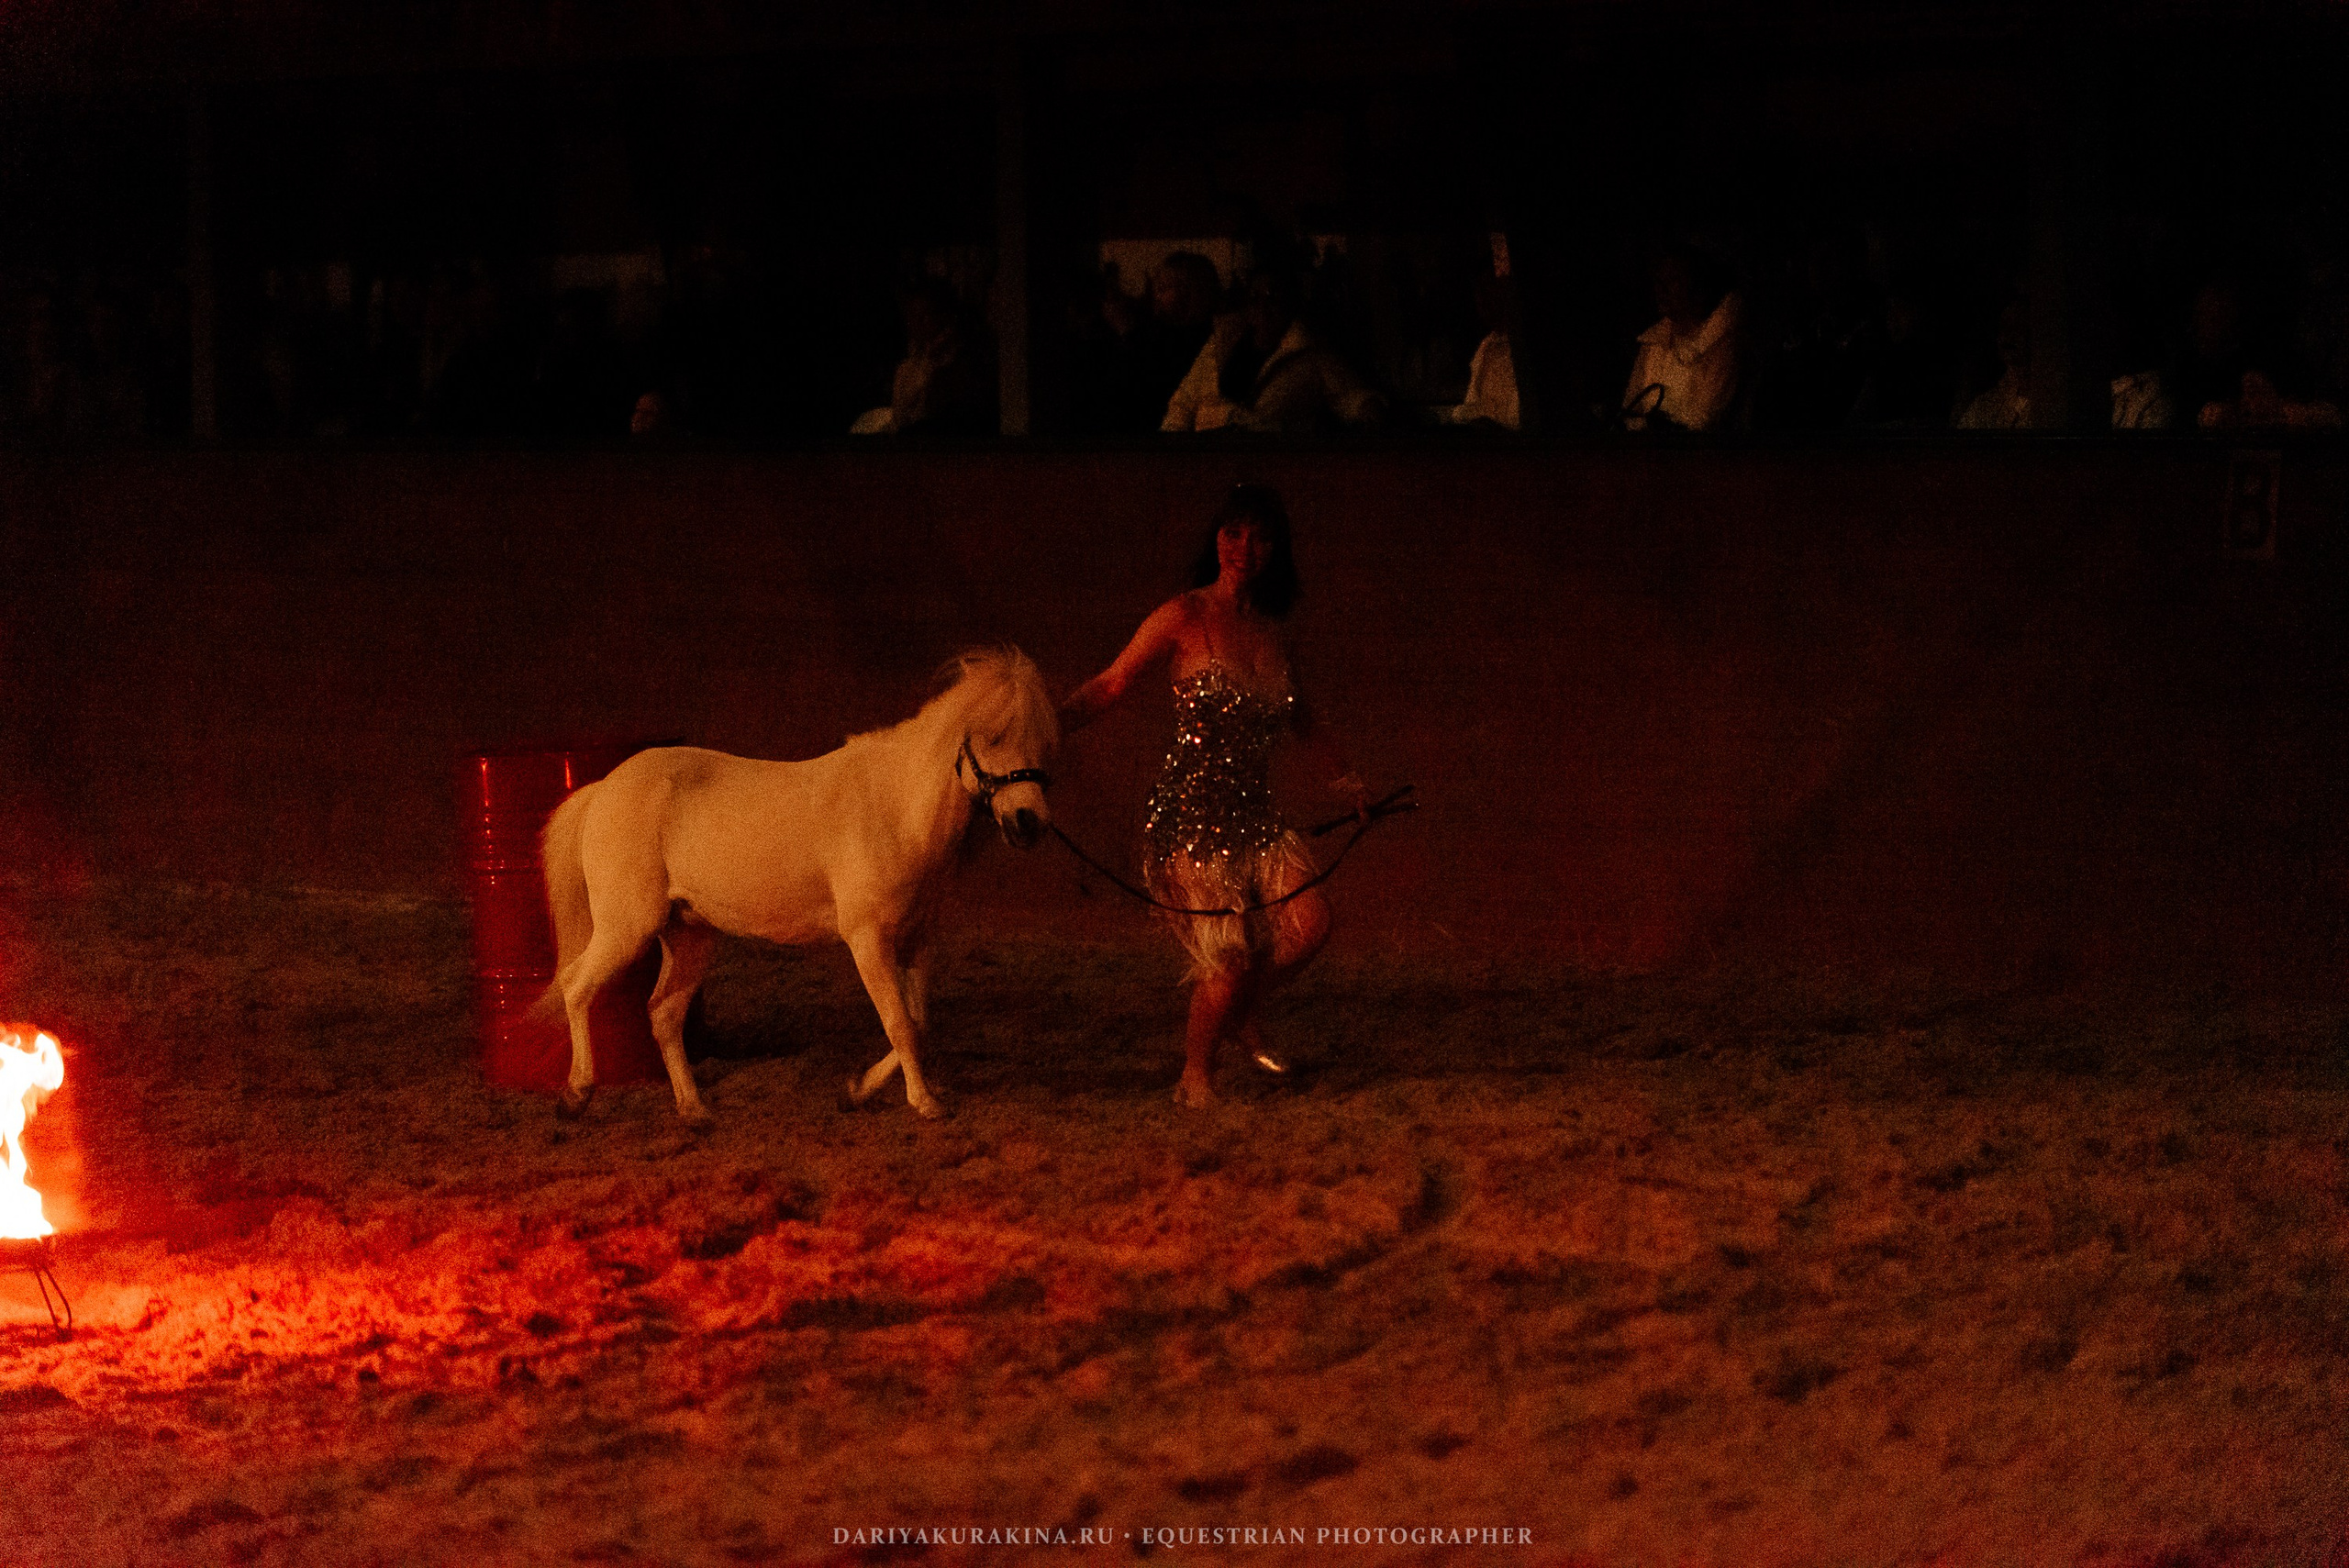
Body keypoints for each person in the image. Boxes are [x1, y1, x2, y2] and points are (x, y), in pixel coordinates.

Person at [1060, 484, 1370, 1107]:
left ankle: (1235, 1014)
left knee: (1311, 925)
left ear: (1275, 549)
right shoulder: (1184, 615)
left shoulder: (1275, 633)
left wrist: (1345, 776)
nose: (1243, 548)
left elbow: (1299, 715)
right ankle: (1195, 1072)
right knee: (1226, 958)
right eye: (1232, 533)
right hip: (1190, 819)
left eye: (1258, 537)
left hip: (1255, 815)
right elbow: (1112, 683)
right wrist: (1046, 725)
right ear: (1216, 539)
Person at [1161, 270, 1385, 433]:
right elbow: (1184, 402)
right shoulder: (1221, 344)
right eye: (1255, 298)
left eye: (1272, 297)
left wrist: (1368, 409)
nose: (1263, 307)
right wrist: (1172, 453)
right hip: (1212, 456)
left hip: (1274, 459)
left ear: (1289, 303)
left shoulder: (1310, 353)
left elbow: (1349, 395)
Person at [1621, 246, 1742, 432]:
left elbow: (1705, 418)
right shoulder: (1653, 342)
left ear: (1697, 287)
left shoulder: (1719, 344)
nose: (1661, 290)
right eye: (1658, 281)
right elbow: (1630, 408)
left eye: (1673, 280)